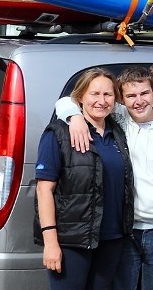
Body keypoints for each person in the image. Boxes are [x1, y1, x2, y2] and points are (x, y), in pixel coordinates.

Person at [55, 66, 153, 290]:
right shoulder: (119, 118)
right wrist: (75, 117)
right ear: (122, 99)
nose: (139, 101)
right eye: (131, 96)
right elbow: (66, 101)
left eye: (144, 93)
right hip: (124, 231)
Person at [34, 68, 135, 289]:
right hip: (72, 241)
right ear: (80, 97)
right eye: (94, 94)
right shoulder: (59, 133)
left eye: (108, 95)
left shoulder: (118, 132)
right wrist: (50, 243)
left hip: (111, 239)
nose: (101, 101)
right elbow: (44, 191)